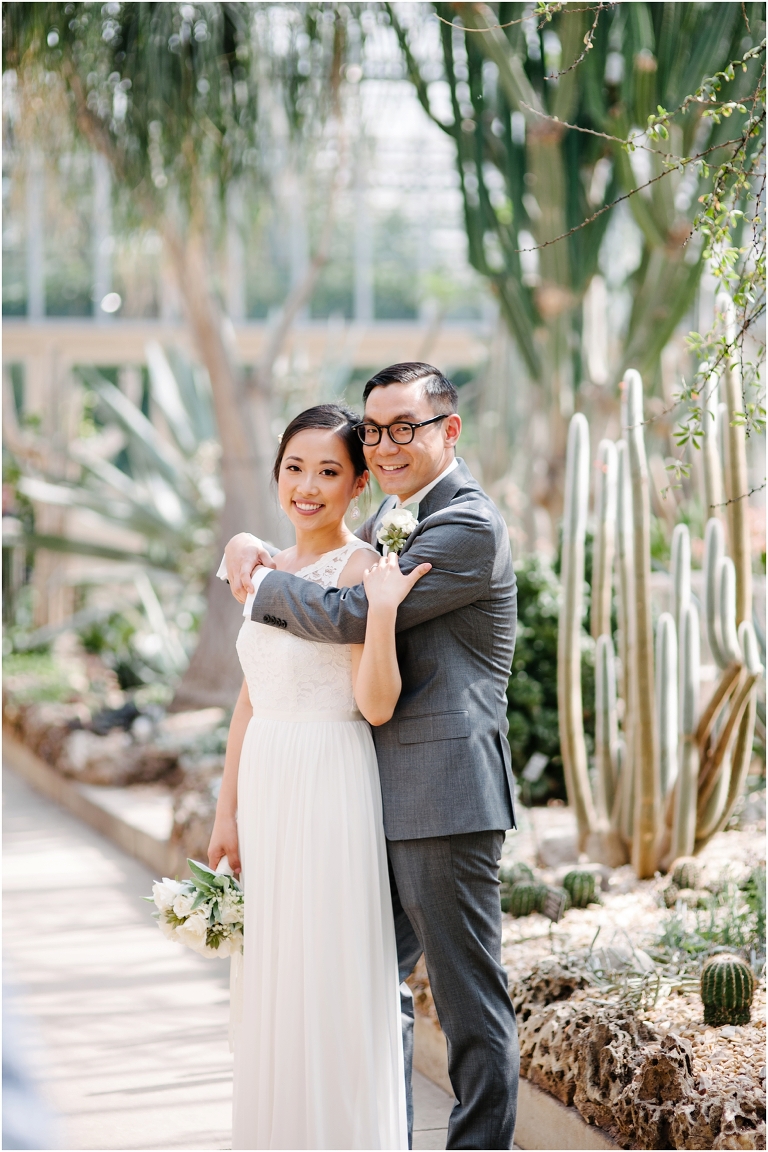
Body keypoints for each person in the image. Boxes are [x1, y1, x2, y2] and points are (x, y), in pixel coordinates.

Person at [223, 362, 520, 1150]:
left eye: (405, 428)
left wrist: (258, 583)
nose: (385, 445)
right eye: (375, 430)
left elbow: (354, 612)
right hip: (359, 793)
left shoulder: (468, 525)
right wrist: (254, 543)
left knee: (466, 1003)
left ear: (449, 430)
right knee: (359, 987)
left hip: (441, 795)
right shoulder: (395, 510)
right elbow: (325, 546)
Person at [208, 403, 429, 1150]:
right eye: (295, 468)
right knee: (275, 972)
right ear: (276, 475)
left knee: (330, 969)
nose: (308, 487)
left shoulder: (364, 569)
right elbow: (250, 697)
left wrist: (382, 614)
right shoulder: (261, 569)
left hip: (331, 779)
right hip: (267, 781)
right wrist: (226, 814)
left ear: (358, 485)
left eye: (329, 471)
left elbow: (376, 704)